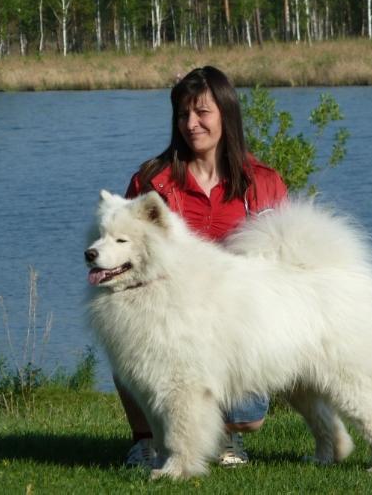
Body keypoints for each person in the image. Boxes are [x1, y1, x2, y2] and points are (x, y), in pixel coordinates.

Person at [119, 65, 287, 469]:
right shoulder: (152, 182)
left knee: (248, 416)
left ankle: (227, 437)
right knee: (129, 341)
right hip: (167, 319)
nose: (191, 124)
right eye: (182, 114)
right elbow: (125, 256)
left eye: (202, 113)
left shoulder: (262, 182)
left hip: (236, 323)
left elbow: (284, 262)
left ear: (226, 114)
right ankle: (148, 442)